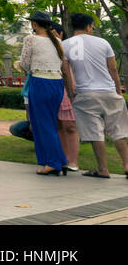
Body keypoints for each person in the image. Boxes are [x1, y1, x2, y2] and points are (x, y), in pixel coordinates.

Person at [63, 13, 128, 179]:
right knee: (118, 131)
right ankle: (127, 165)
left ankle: (103, 169)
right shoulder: (103, 42)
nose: (92, 29)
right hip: (108, 92)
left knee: (95, 132)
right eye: (92, 27)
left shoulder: (65, 45)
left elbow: (65, 71)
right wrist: (118, 90)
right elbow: (112, 69)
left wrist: (71, 93)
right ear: (87, 26)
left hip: (85, 94)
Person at [17, 10, 73, 176]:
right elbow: (62, 64)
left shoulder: (31, 39)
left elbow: (25, 64)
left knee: (43, 125)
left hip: (40, 82)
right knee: (50, 124)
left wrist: (19, 66)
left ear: (34, 24)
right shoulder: (57, 40)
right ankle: (60, 161)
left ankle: (52, 163)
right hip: (57, 84)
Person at [51, 22, 81, 171]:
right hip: (53, 89)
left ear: (61, 34)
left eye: (54, 33)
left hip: (68, 90)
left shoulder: (69, 47)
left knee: (70, 126)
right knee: (58, 126)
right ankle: (63, 159)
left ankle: (73, 161)